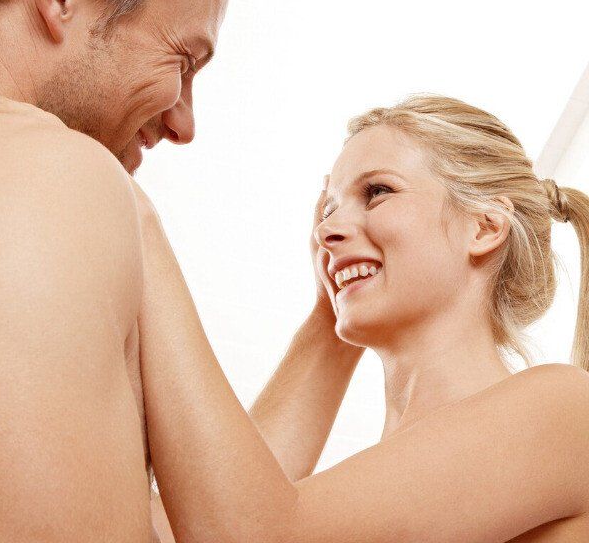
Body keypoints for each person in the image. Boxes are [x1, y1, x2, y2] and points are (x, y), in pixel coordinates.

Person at [0, 0, 365, 539]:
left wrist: (327, 329)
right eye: (184, 61)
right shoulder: (61, 173)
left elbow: (172, 518)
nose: (184, 123)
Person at [139, 96, 589, 541]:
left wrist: (137, 224)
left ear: (485, 227)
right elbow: (172, 529)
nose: (324, 231)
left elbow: (244, 534)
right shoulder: (371, 488)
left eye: (377, 192)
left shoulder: (566, 408)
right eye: (328, 209)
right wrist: (329, 315)